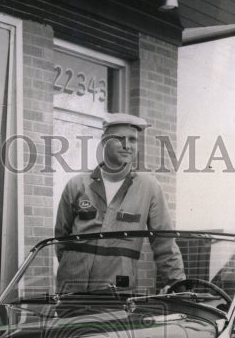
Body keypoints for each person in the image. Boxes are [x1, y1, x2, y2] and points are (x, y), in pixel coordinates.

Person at [54, 113, 184, 292]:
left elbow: (165, 245)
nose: (127, 145)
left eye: (132, 140)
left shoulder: (149, 188)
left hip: (117, 291)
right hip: (71, 289)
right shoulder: (77, 185)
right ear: (104, 142)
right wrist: (74, 268)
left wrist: (178, 285)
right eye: (119, 139)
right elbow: (61, 239)